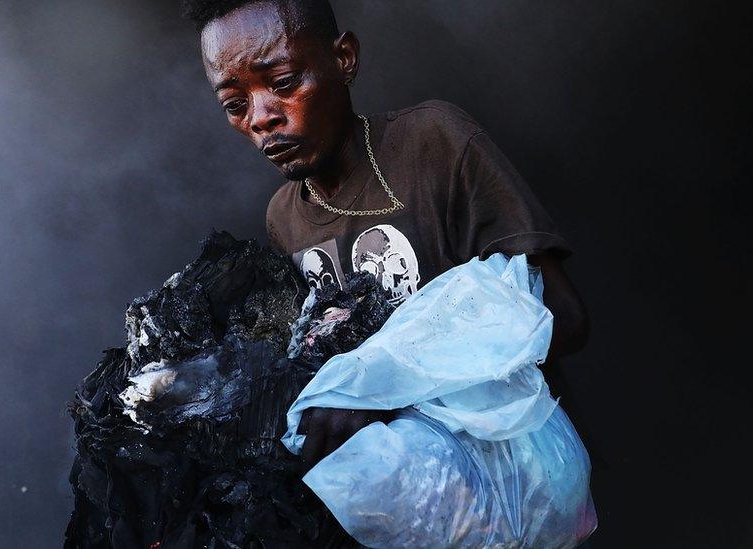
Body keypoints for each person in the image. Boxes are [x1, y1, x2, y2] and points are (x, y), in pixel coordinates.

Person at [183, 0, 589, 468]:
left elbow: (562, 316)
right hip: (412, 502)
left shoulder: (432, 143)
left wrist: (383, 389)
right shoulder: (283, 218)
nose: (260, 117)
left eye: (283, 83)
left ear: (344, 59)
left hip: (521, 483)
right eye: (236, 104)